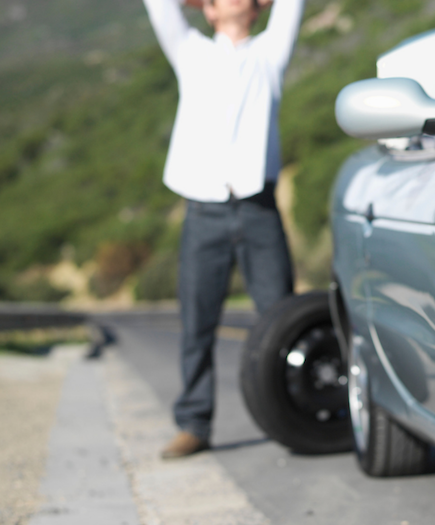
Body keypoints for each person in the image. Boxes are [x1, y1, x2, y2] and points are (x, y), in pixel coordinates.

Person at [141, 0, 305, 459]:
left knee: (280, 319)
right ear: (208, 12)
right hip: (203, 213)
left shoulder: (270, 53)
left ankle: (290, 414)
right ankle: (194, 423)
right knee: (196, 323)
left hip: (259, 210)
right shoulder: (190, 52)